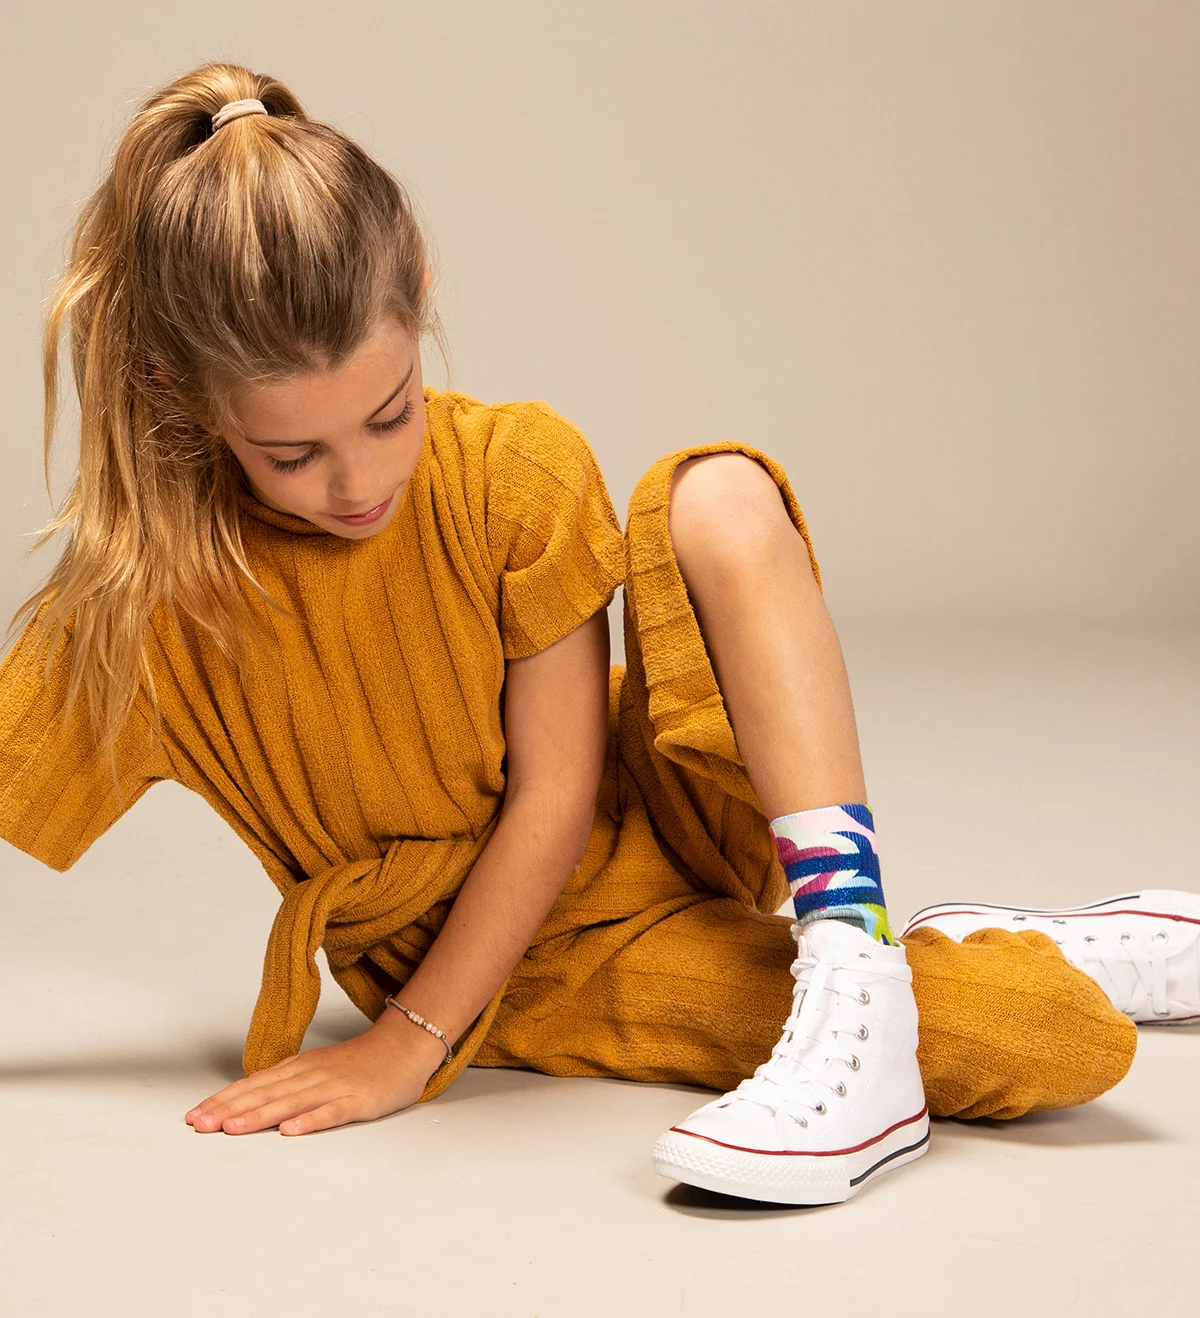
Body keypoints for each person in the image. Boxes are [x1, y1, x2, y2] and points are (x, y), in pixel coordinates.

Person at [2, 61, 1174, 1208]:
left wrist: (400, 1051)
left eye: (389, 411)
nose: (359, 482)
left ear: (416, 290)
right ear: (179, 391)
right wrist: (419, 1028)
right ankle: (982, 950)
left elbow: (557, 795)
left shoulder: (515, 471)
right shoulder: (141, 609)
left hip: (670, 803)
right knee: (1039, 1035)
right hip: (536, 961)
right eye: (290, 454)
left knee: (715, 490)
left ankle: (851, 953)